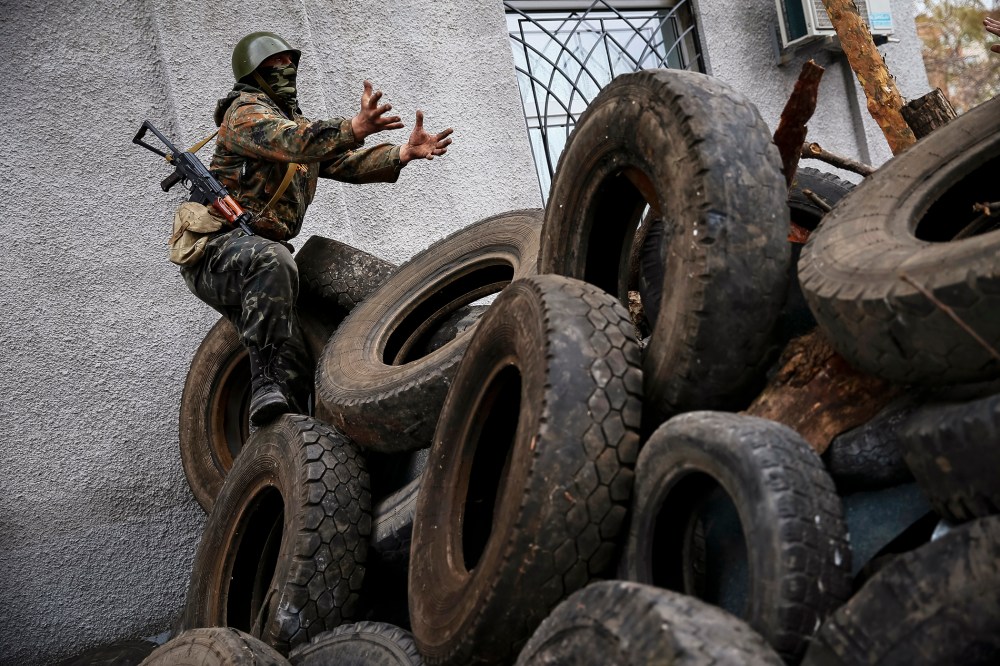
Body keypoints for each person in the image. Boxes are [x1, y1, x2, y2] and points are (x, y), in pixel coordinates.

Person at [181, 31, 453, 426]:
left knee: (292, 354)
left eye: (290, 62)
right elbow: (292, 143)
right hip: (218, 252)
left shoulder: (299, 126)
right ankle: (263, 383)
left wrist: (402, 153)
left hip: (259, 258)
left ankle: (289, 435)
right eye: (273, 65)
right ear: (253, 73)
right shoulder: (243, 114)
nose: (285, 69)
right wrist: (353, 127)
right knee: (274, 262)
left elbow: (344, 162)